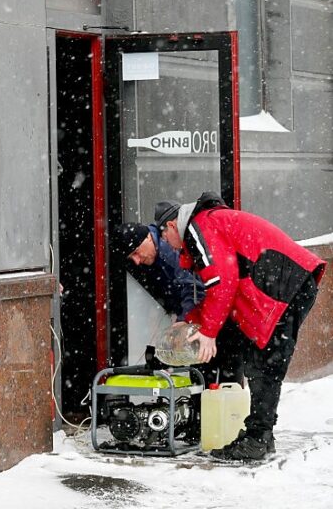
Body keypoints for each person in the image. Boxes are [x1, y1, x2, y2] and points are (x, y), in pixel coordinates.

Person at [156, 191, 327, 460]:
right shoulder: (209, 223)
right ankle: (260, 436)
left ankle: (257, 439)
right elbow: (223, 287)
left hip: (282, 282)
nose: (169, 245)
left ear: (170, 225)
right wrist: (194, 323)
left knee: (266, 362)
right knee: (262, 359)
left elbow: (221, 281)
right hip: (285, 282)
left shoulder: (200, 225)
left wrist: (209, 333)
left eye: (166, 238)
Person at [112, 219, 243, 384]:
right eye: (132, 258)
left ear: (147, 238)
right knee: (205, 376)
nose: (137, 261)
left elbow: (194, 289)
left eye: (136, 252)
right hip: (203, 319)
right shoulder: (152, 254)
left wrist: (184, 320)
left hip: (216, 318)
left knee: (214, 377)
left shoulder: (169, 251)